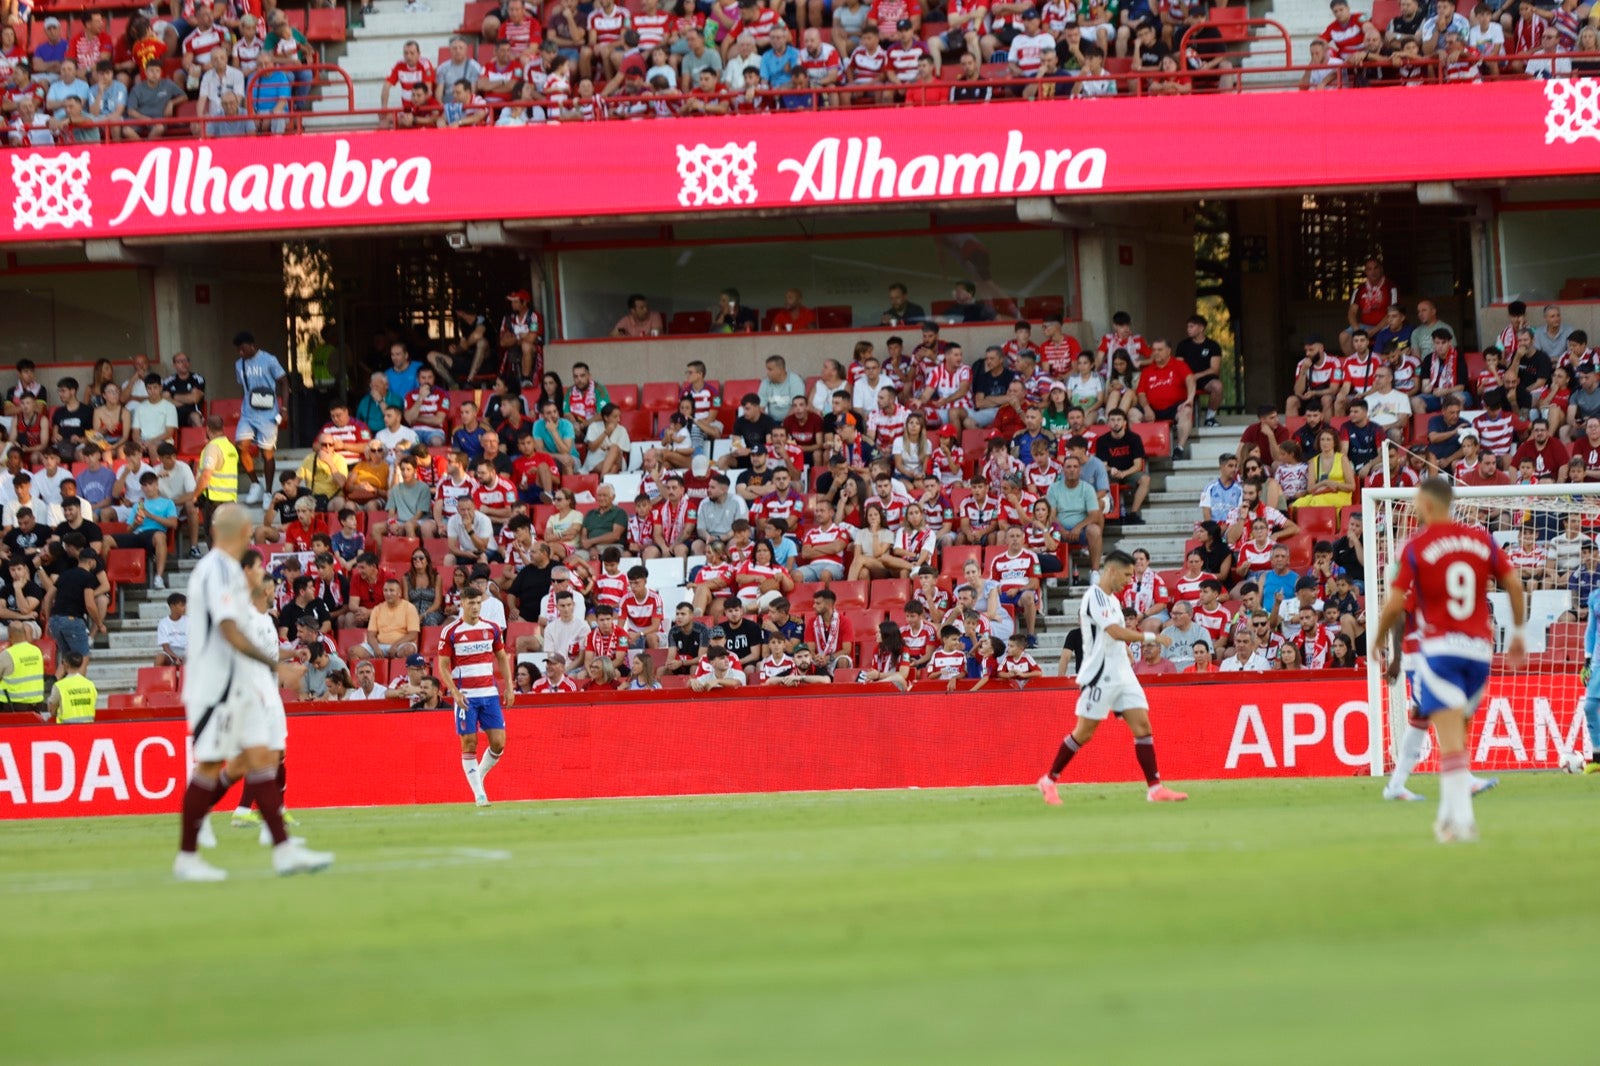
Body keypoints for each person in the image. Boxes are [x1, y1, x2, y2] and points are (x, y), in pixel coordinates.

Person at [174, 507, 331, 881]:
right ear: (245, 531)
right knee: (212, 767)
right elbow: (228, 630)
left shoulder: (224, 572)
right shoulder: (217, 570)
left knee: (262, 757)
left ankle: (283, 850)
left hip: (236, 683)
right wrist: (277, 666)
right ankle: (187, 855)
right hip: (215, 686)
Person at [1372, 477, 1525, 843]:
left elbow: (1395, 603)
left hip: (1439, 651)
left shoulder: (1417, 546)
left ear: (1426, 505)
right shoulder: (1482, 540)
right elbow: (1515, 585)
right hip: (1479, 652)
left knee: (1448, 738)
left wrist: (1376, 641)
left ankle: (1464, 822)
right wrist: (1518, 633)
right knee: (1457, 734)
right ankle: (1445, 817)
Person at [1037, 551, 1188, 805]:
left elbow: (1115, 637)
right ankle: (1049, 780)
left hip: (1123, 674)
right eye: (1128, 574)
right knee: (1083, 733)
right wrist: (1150, 637)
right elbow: (1115, 632)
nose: (1130, 580)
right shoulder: (1093, 597)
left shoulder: (1114, 600)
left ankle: (1155, 788)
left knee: (1143, 726)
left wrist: (1127, 652)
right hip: (1100, 675)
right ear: (1112, 571)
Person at [437, 586, 515, 807]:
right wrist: (454, 691)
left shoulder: (492, 628)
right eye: (471, 603)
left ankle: (478, 778)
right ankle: (479, 794)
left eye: (478, 603)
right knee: (469, 743)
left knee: (499, 743)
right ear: (462, 603)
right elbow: (442, 666)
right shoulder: (451, 631)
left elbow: (502, 657)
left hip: (489, 694)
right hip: (466, 696)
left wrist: (508, 687)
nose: (475, 607)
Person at [233, 331, 287, 505]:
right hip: (248, 412)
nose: (240, 353)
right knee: (241, 446)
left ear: (251, 345)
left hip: (268, 412)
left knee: (267, 452)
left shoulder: (269, 360)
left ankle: (268, 492)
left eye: (243, 349)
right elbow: (244, 388)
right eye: (238, 351)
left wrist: (284, 407)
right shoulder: (239, 364)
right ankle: (255, 484)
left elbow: (285, 382)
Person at [0, 620, 45, 714]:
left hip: (13, 704)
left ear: (9, 636)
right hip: (36, 703)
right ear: (25, 633)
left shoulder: (7, 654)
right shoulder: (37, 651)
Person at [47, 651, 97, 724]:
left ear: (65, 664)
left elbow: (51, 708)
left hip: (66, 729)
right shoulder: (90, 684)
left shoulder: (60, 686)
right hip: (87, 727)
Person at [156, 592, 188, 666]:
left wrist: (183, 658)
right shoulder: (163, 623)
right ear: (172, 606)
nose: (185, 608)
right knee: (159, 658)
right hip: (171, 654)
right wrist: (176, 658)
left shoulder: (190, 621)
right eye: (182, 605)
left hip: (187, 653)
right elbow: (165, 647)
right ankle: (158, 678)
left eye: (185, 605)